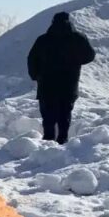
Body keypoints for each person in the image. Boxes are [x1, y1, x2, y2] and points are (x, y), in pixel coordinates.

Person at [27, 11, 95, 144]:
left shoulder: (43, 39)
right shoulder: (78, 38)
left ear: (52, 22)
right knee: (65, 114)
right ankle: (63, 140)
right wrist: (76, 61)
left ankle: (48, 141)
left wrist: (35, 75)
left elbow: (31, 59)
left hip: (47, 84)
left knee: (48, 115)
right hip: (69, 83)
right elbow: (90, 55)